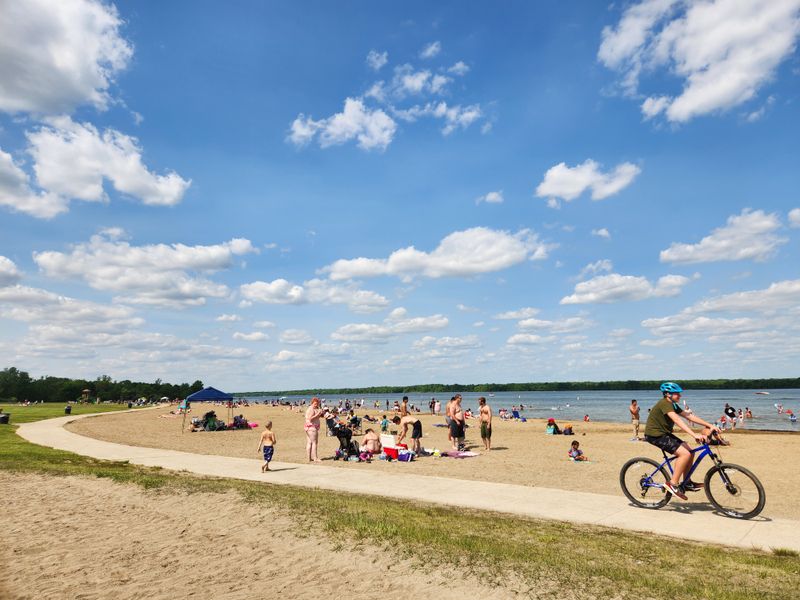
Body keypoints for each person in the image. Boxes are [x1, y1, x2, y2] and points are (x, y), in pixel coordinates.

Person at [644, 382, 720, 500]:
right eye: (677, 394)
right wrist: (694, 434)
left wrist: (710, 425)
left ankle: (687, 482)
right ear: (668, 394)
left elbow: (689, 416)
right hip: (655, 435)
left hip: (664, 433)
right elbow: (678, 421)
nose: (680, 396)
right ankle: (672, 483)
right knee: (684, 454)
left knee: (690, 451)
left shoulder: (673, 404)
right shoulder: (665, 403)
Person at [304, 397, 325, 463]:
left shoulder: (313, 408)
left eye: (317, 403)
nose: (317, 404)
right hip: (312, 427)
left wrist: (321, 414)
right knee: (314, 442)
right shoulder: (311, 409)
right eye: (315, 403)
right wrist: (318, 414)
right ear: (312, 403)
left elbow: (317, 417)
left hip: (309, 427)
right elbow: (310, 418)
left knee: (309, 442)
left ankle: (309, 458)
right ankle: (315, 458)